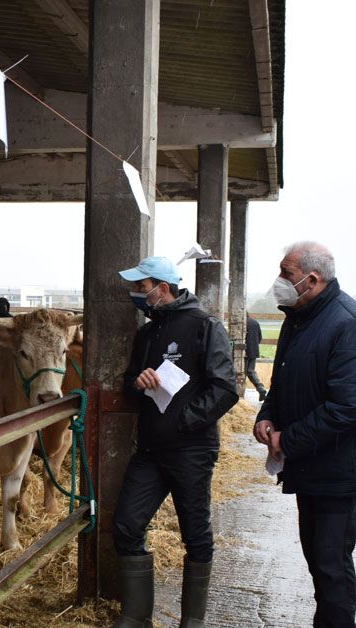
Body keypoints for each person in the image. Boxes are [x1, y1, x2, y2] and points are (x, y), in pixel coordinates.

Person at [252, 241, 356, 627]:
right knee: (317, 555)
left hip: (339, 467)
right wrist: (268, 416)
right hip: (312, 463)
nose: (279, 281)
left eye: (286, 274)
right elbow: (284, 382)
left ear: (312, 280)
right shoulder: (300, 318)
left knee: (331, 563)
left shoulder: (351, 324)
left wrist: (287, 440)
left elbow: (349, 407)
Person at [112, 256, 238, 628]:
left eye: (140, 286)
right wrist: (138, 383)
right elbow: (129, 383)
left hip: (192, 450)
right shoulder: (147, 334)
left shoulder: (205, 327)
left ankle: (192, 620)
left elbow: (224, 388)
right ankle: (136, 616)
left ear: (161, 289)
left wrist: (185, 420)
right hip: (150, 451)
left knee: (195, 532)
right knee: (126, 525)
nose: (136, 293)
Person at [244, 316, 267, 397]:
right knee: (250, 371)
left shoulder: (241, 322)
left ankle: (240, 392)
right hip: (254, 350)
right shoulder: (255, 322)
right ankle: (260, 388)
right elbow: (260, 337)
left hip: (243, 351)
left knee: (241, 372)